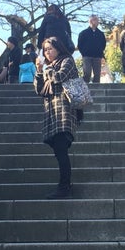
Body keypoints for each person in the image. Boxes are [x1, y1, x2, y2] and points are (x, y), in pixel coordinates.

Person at [34, 37, 82, 199]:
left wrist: (45, 69)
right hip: (52, 111)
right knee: (59, 151)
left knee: (61, 149)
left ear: (58, 48)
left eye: (50, 48)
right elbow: (39, 89)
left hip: (64, 112)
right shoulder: (49, 66)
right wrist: (39, 71)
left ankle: (64, 186)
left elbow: (59, 77)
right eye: (45, 50)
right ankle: (65, 185)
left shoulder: (67, 60)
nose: (47, 52)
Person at [78, 15, 107, 83]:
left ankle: (97, 91)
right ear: (91, 21)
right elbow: (80, 45)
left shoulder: (101, 34)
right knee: (87, 73)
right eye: (96, 20)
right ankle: (85, 89)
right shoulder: (83, 33)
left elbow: (103, 44)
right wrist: (84, 53)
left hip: (97, 56)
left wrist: (100, 53)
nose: (97, 22)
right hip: (87, 56)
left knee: (97, 74)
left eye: (97, 20)